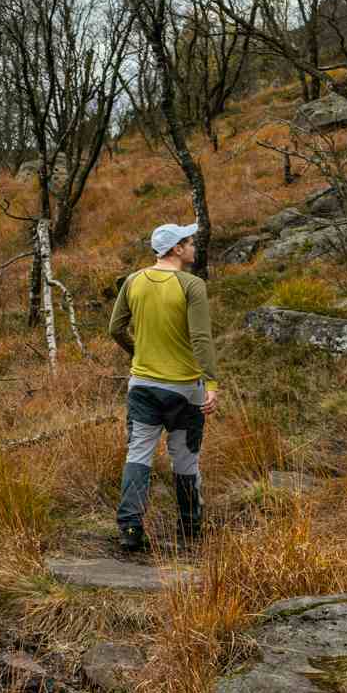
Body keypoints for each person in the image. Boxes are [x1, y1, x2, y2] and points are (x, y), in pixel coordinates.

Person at [106, 222, 220, 553]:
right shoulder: (192, 285)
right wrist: (211, 382)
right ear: (175, 250)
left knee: (139, 453)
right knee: (185, 459)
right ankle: (190, 527)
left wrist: (137, 352)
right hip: (185, 388)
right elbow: (200, 338)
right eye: (188, 242)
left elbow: (115, 329)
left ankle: (130, 528)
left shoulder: (133, 281)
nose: (194, 246)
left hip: (142, 385)